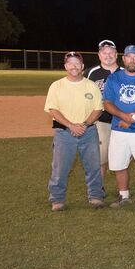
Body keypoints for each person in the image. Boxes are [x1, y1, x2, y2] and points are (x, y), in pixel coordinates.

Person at [45, 51, 106, 211]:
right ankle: (57, 199)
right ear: (65, 66)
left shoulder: (91, 85)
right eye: (70, 63)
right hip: (63, 132)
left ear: (82, 66)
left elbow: (98, 110)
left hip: (89, 131)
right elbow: (52, 109)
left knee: (93, 166)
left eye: (77, 63)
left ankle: (95, 196)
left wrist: (84, 124)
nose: (74, 66)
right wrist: (71, 125)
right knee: (60, 168)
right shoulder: (56, 85)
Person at [102, 45, 135, 208]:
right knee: (119, 164)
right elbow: (107, 103)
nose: (132, 60)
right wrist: (123, 116)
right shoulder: (114, 78)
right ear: (124, 59)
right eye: (129, 57)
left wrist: (132, 118)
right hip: (119, 128)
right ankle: (123, 195)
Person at [85, 39, 120, 181]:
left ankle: (123, 192)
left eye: (111, 52)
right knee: (100, 158)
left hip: (122, 122)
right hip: (101, 122)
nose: (108, 55)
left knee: (122, 158)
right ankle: (98, 189)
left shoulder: (125, 73)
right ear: (99, 55)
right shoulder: (91, 73)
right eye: (104, 53)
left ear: (116, 55)